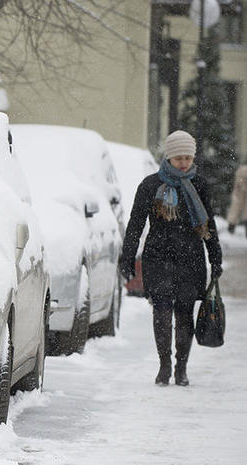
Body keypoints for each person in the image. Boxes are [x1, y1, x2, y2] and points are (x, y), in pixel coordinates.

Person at [119, 130, 222, 387]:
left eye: (188, 157)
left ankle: (182, 367)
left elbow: (208, 224)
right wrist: (128, 257)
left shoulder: (199, 185)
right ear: (169, 157)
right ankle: (164, 364)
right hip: (158, 257)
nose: (184, 163)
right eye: (178, 158)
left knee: (185, 312)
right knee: (162, 311)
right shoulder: (151, 185)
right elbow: (135, 224)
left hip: (191, 258)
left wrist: (215, 257)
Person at [226, 163, 247, 236]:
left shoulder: (241, 169)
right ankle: (231, 227)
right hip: (239, 193)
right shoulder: (243, 169)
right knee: (236, 209)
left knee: (236, 209)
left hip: (238, 194)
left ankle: (231, 227)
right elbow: (240, 182)